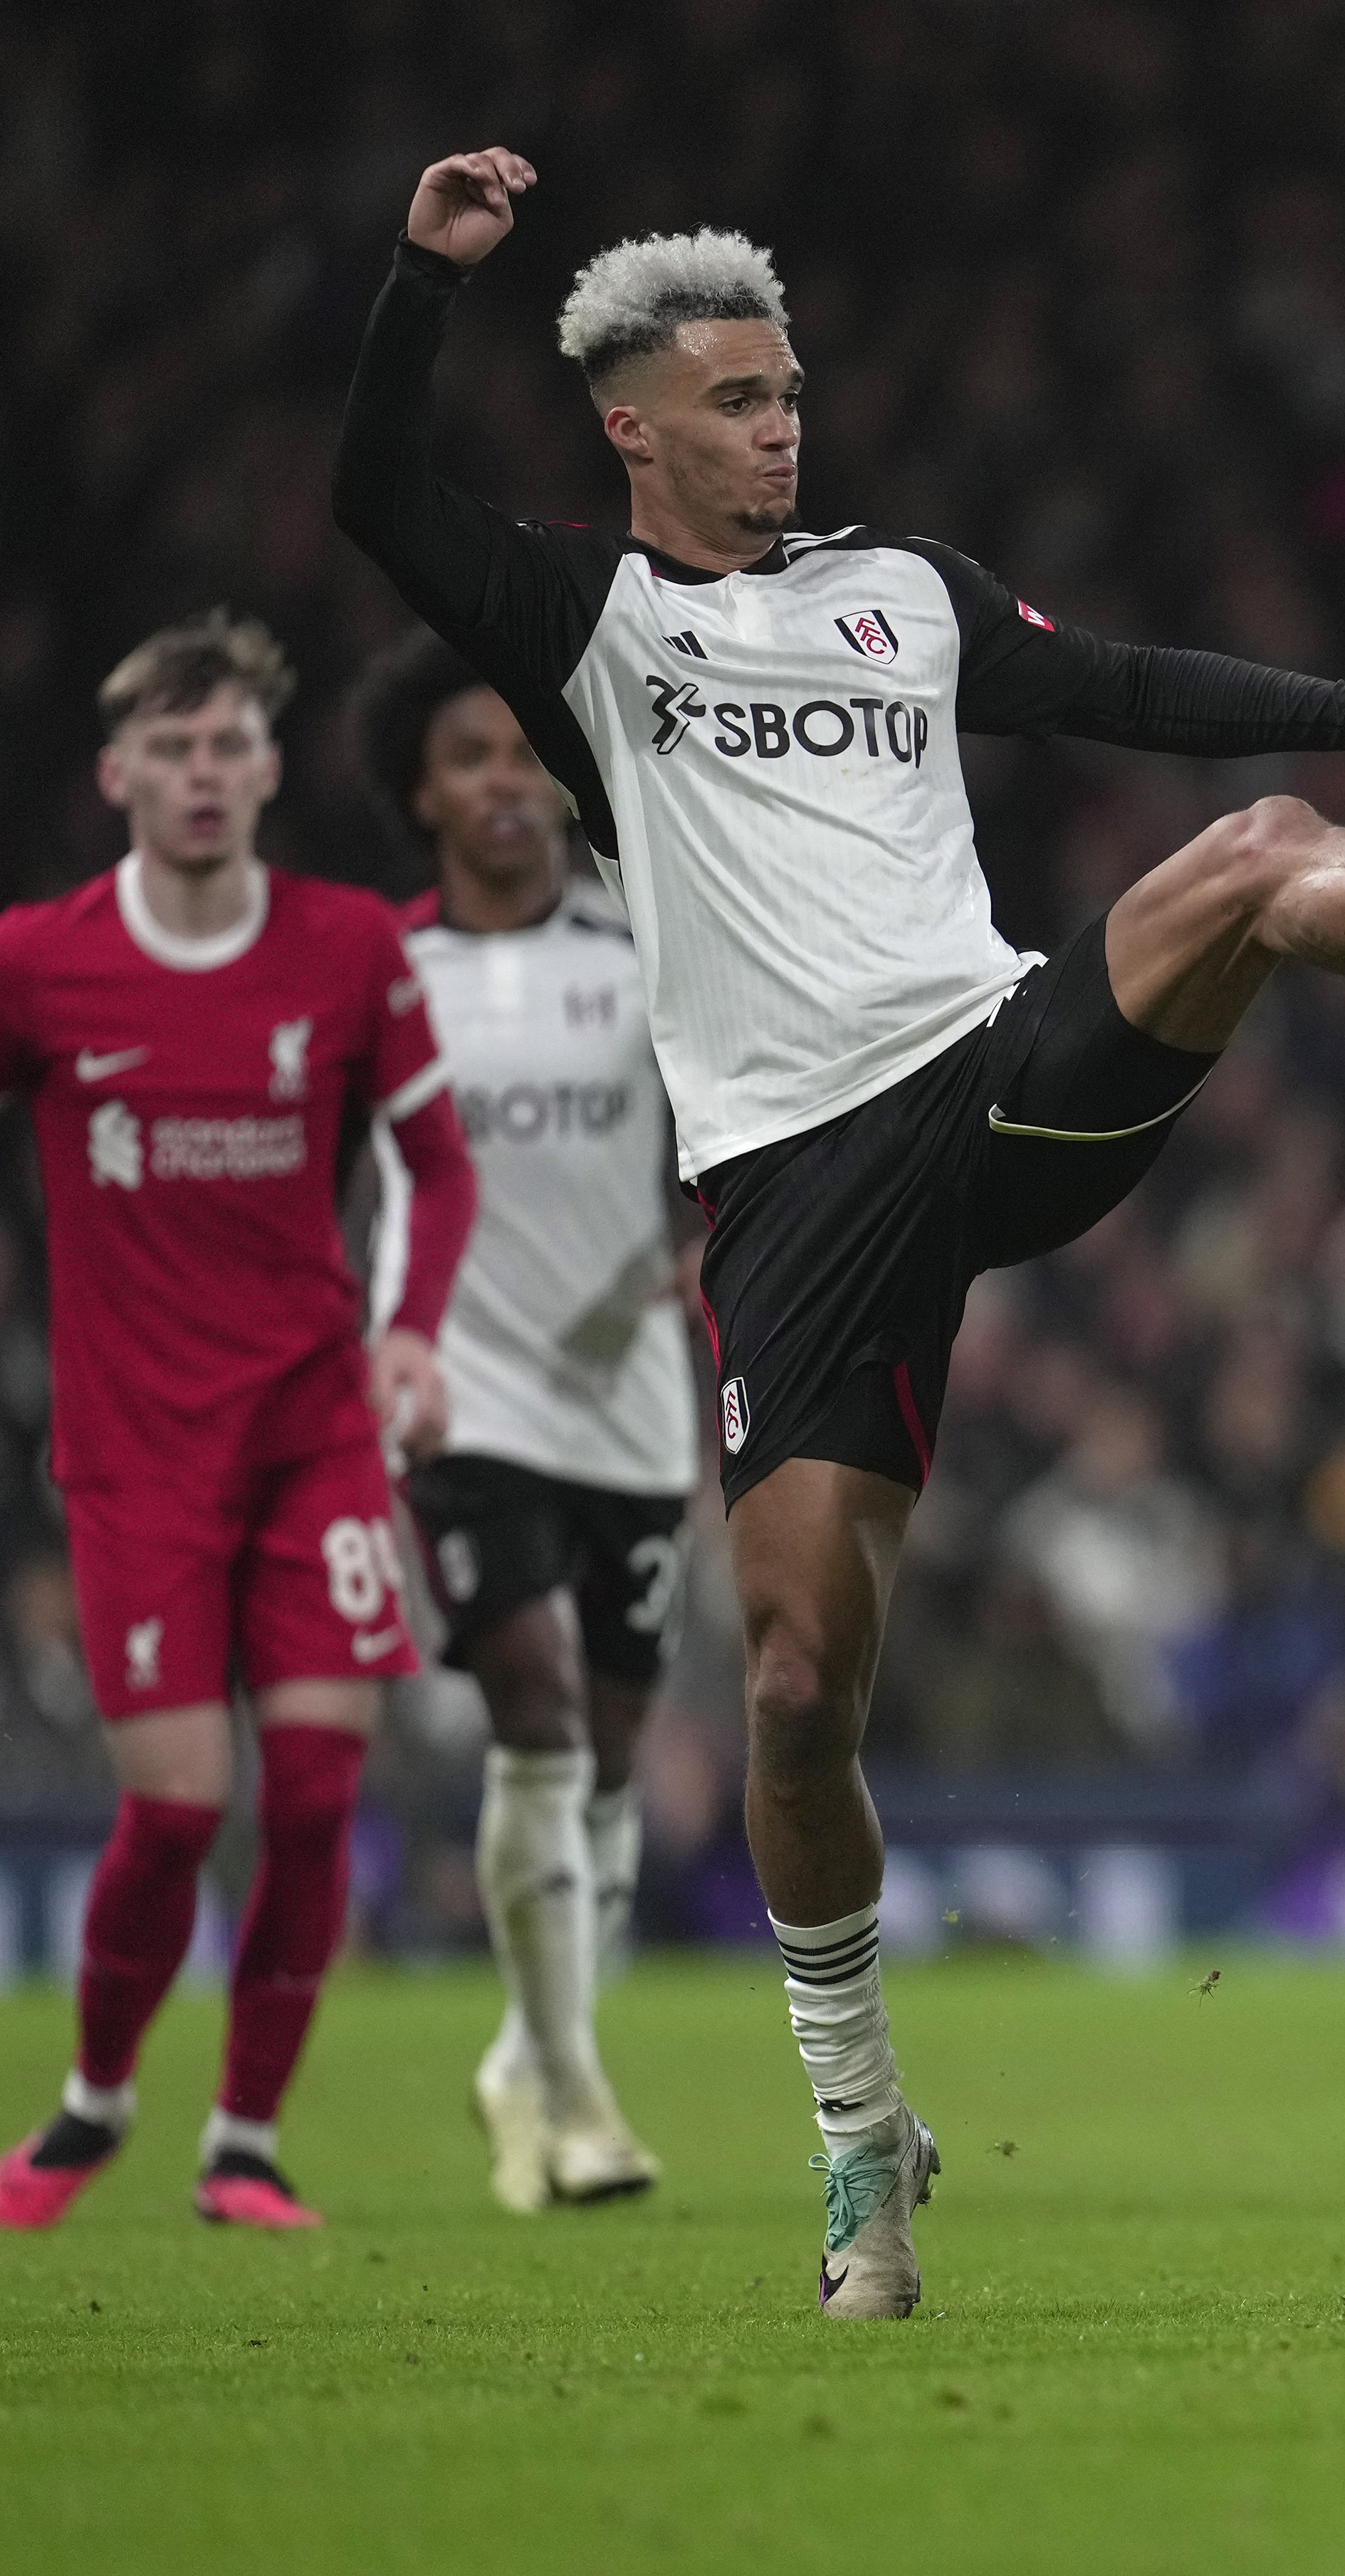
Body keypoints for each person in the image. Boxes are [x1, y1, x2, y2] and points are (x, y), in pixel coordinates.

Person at [335, 147, 1345, 2317]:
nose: (780, 428)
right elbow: (375, 495)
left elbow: (1118, 679)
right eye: (735, 402)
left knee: (1252, 848)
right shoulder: (590, 622)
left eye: (789, 392)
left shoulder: (902, 590)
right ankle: (862, 2139)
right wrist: (414, 282)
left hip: (993, 1069)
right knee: (794, 1681)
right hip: (789, 1184)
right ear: (632, 428)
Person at [0, 614, 477, 2233]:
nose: (202, 777)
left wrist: (409, 1339)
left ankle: (246, 2143)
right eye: (173, 751)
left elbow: (440, 1164)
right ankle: (92, 2104)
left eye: (229, 750)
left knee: (325, 1791)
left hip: (310, 1432)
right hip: (137, 1450)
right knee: (182, 1803)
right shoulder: (38, 962)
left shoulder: (347, 948)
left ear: (269, 770)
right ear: (117, 774)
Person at [356, 632, 691, 2207]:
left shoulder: (644, 949)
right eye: (471, 758)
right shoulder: (383, 975)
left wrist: (704, 1251)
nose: (509, 783)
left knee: (612, 1756)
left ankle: (521, 2058)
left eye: (525, 754)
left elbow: (730, 1134)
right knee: (538, 1708)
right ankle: (575, 2095)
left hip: (625, 1403)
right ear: (421, 796)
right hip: (457, 1393)